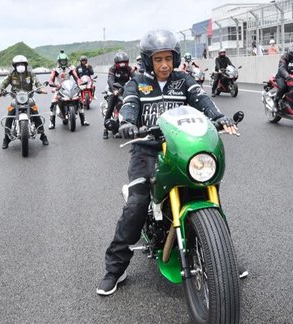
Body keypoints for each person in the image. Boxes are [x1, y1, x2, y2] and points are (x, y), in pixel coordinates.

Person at [96, 28, 244, 296]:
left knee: (208, 191)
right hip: (147, 150)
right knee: (137, 203)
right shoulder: (136, 83)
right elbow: (129, 105)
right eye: (158, 59)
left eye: (168, 59)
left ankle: (223, 259)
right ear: (148, 60)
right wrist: (128, 123)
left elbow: (202, 100)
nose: (164, 65)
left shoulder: (184, 80)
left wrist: (219, 117)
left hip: (179, 150)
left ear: (175, 58)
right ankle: (114, 269)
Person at [0, 55, 48, 149]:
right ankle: (6, 138)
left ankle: (42, 135)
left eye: (22, 64)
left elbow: (37, 82)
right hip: (15, 97)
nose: (20, 66)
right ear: (14, 66)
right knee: (10, 112)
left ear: (25, 65)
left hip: (28, 96)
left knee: (35, 112)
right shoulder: (12, 74)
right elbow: (4, 82)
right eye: (18, 64)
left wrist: (41, 88)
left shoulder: (30, 73)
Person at [48, 51, 88, 129]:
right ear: (59, 61)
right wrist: (54, 85)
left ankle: (83, 120)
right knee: (53, 103)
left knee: (80, 100)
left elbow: (76, 78)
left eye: (64, 61)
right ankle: (52, 123)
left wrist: (80, 83)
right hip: (59, 88)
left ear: (67, 61)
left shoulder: (70, 69)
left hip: (70, 87)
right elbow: (51, 80)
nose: (63, 62)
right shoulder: (55, 70)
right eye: (62, 61)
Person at [102, 51, 134, 140]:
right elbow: (110, 80)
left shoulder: (129, 69)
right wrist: (114, 90)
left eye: (124, 62)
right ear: (116, 63)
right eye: (120, 63)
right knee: (110, 107)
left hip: (125, 89)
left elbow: (135, 78)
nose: (122, 64)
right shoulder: (112, 69)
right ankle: (105, 129)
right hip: (114, 89)